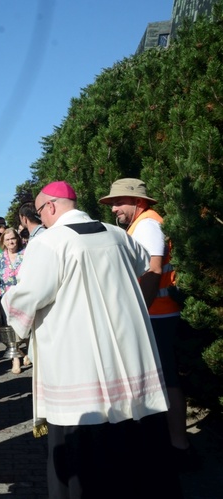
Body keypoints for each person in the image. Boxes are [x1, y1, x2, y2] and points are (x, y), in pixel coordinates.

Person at [1, 181, 182, 498]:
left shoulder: (49, 243)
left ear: (52, 207)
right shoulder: (117, 235)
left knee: (88, 475)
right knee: (138, 469)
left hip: (80, 380)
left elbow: (26, 300)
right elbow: (145, 264)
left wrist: (7, 301)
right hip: (132, 370)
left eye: (41, 212)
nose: (41, 220)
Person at [99, 177, 197, 469]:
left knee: (166, 381)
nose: (113, 208)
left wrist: (137, 310)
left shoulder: (148, 225)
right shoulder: (141, 224)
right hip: (158, 313)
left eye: (118, 201)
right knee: (163, 380)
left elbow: (153, 269)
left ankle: (179, 446)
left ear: (137, 201)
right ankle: (172, 444)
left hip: (158, 315)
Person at [0, 228, 29, 374]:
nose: (11, 242)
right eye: (7, 239)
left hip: (24, 296)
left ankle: (27, 352)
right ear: (3, 241)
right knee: (10, 327)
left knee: (27, 325)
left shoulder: (26, 254)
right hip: (6, 297)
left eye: (13, 238)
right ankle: (16, 360)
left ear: (18, 239)